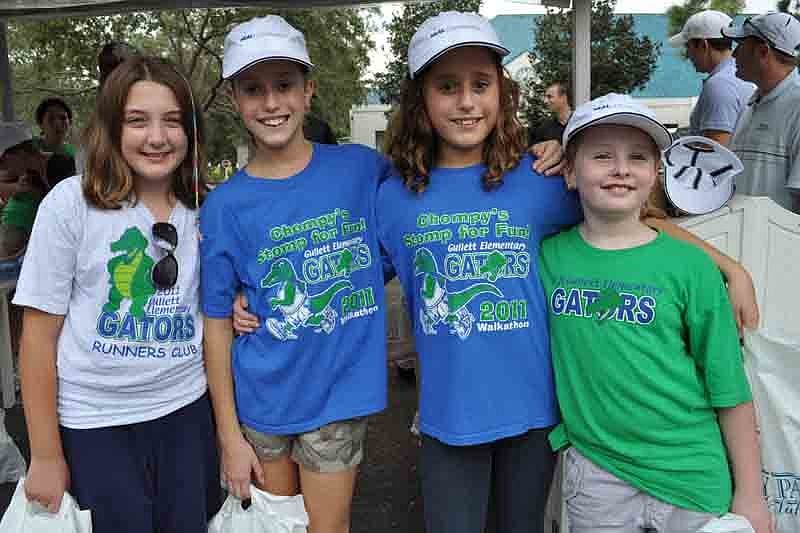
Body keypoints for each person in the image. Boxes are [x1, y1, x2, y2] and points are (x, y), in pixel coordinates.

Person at [374, 12, 760, 533]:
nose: (466, 101)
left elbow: (632, 220)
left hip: (535, 417)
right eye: (447, 87)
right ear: (420, 98)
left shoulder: (539, 180)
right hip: (449, 417)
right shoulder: (394, 196)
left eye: (480, 85)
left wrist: (727, 266)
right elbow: (353, 278)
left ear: (501, 93)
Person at [539, 93, 772, 533]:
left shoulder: (691, 267)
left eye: (638, 157)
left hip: (692, 475)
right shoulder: (547, 258)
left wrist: (751, 494)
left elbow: (728, 384)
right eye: (602, 155)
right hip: (599, 476)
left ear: (656, 174)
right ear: (570, 171)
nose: (621, 168)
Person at [13, 56, 221, 533]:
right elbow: (38, 338)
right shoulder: (71, 203)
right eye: (137, 120)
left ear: (190, 131)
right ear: (111, 126)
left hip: (186, 413)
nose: (156, 137)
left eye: (172, 120)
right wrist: (44, 454)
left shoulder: (207, 206)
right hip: (94, 423)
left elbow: (217, 303)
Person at [200, 16, 391, 533]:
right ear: (235, 100)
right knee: (274, 527)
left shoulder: (361, 169)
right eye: (253, 89)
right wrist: (228, 436)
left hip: (337, 397)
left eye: (284, 85)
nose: (270, 103)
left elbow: (420, 218)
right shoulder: (223, 206)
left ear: (308, 91)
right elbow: (215, 323)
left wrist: (545, 152)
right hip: (260, 403)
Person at [723, 12, 800, 213]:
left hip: (778, 242)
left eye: (740, 45)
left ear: (763, 51)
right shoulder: (755, 101)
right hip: (741, 238)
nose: (734, 54)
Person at [669, 10, 755, 146]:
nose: (687, 54)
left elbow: (716, 153)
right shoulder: (740, 75)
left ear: (703, 45)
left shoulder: (720, 85)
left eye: (688, 46)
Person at [0, 136, 75, 259]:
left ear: (21, 154)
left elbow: (62, 205)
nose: (6, 167)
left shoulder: (61, 165)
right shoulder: (30, 172)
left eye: (6, 162)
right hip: (24, 230)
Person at [528, 80, 573, 146]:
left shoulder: (580, 123)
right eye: (545, 97)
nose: (545, 101)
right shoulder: (544, 128)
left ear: (563, 97)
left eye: (549, 97)